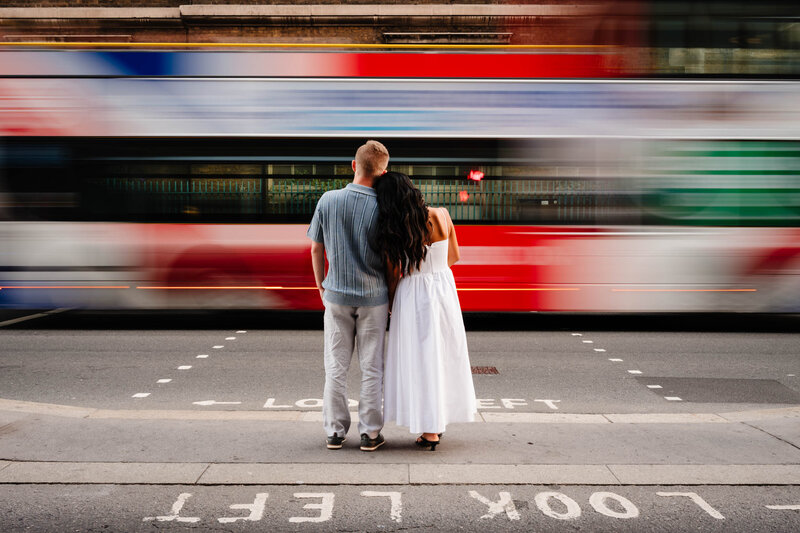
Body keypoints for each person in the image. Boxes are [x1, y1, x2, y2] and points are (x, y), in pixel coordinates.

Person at [372, 171, 477, 450]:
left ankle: (429, 428)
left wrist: (393, 305)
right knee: (442, 357)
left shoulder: (395, 229)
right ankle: (435, 426)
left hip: (413, 294)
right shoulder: (442, 215)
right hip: (443, 291)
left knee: (420, 361)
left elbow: (394, 275)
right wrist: (435, 271)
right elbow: (454, 255)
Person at [307, 140, 391, 452]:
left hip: (336, 294)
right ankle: (370, 433)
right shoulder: (384, 207)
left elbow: (316, 247)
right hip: (375, 297)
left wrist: (321, 286)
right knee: (372, 367)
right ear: (382, 173)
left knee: (336, 366)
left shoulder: (328, 200)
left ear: (353, 166)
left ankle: (334, 432)